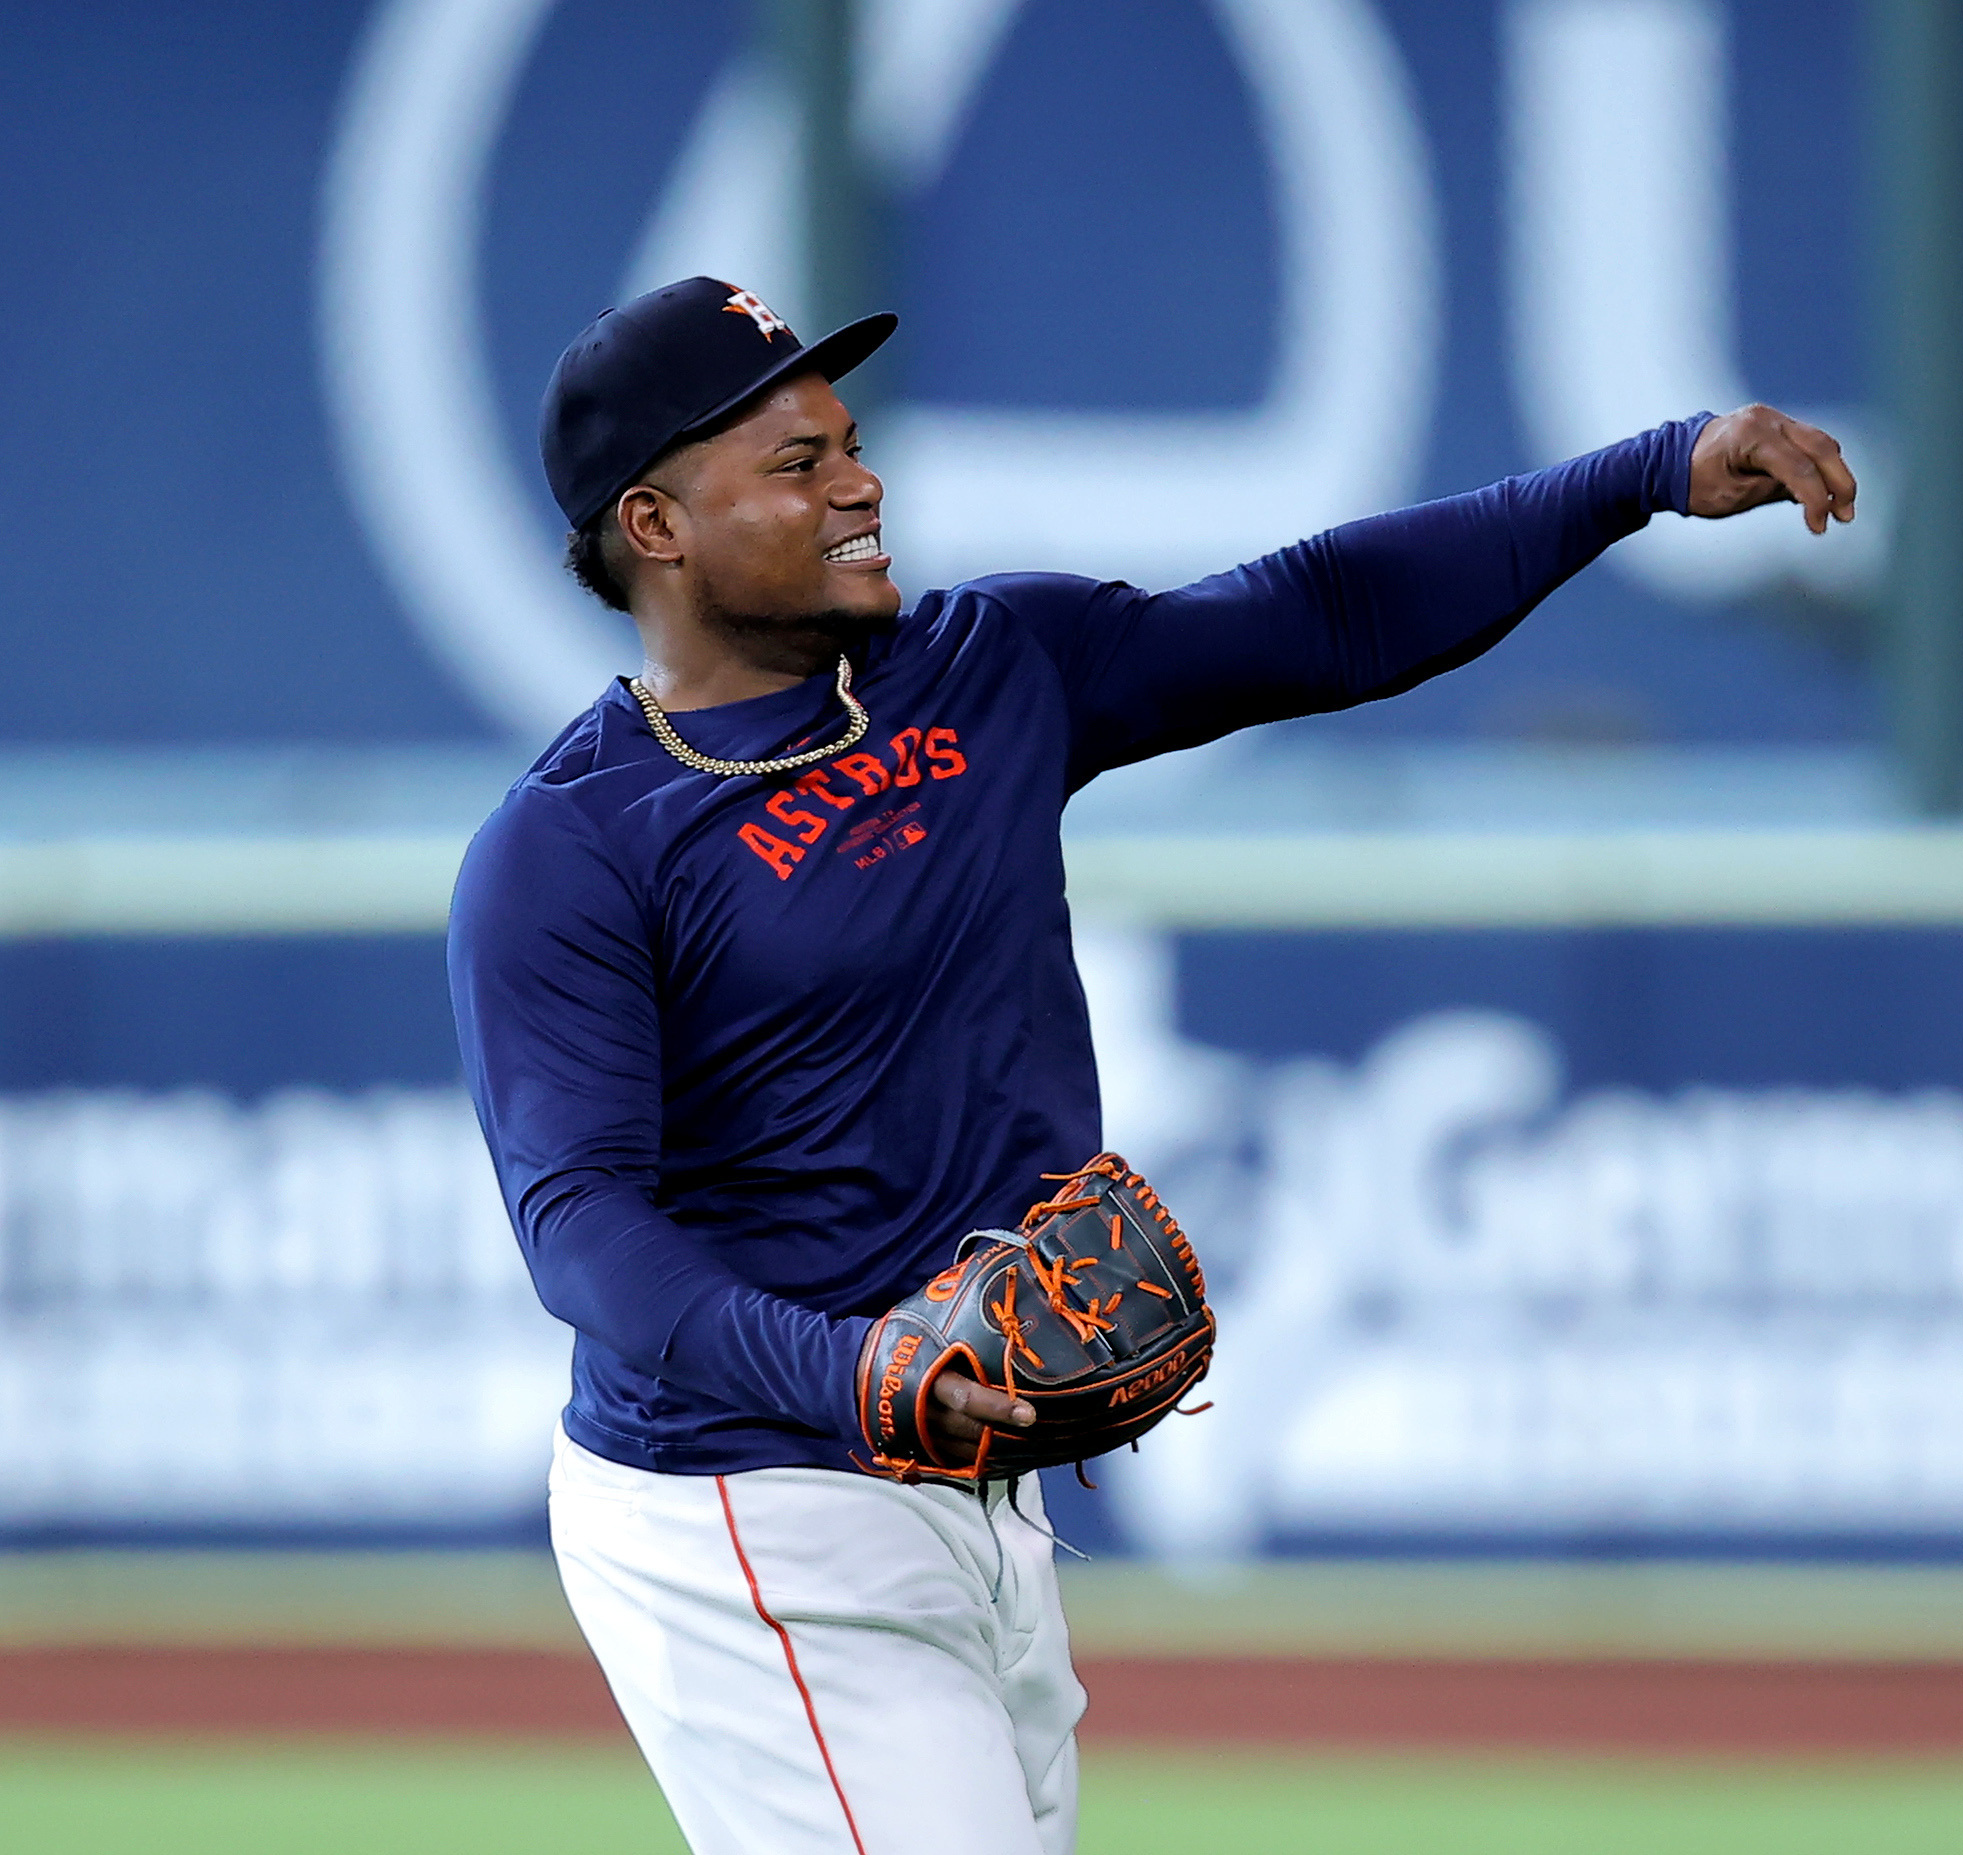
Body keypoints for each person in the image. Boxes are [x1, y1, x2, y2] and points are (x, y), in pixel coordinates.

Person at [450, 274, 1856, 1855]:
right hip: (743, 1506)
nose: (858, 483)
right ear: (655, 524)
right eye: (794, 464)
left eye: (850, 443)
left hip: (970, 1488)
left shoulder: (988, 669)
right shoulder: (572, 847)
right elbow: (579, 1226)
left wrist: (1638, 474)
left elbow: (1317, 616)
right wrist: (845, 1373)